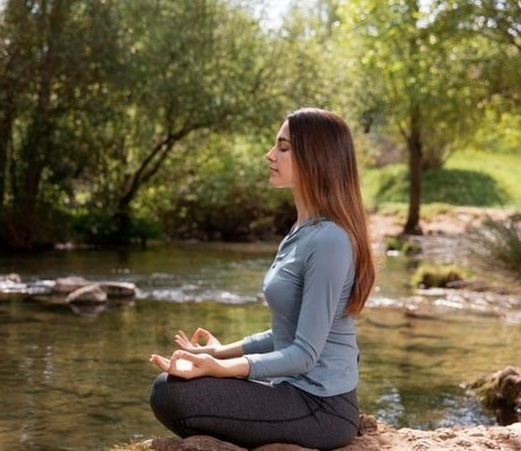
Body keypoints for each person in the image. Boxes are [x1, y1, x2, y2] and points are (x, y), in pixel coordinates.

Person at [148, 107, 376, 450]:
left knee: (168, 393)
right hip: (290, 391)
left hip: (322, 409)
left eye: (283, 148)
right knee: (170, 386)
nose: (270, 155)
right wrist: (220, 353)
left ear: (316, 158)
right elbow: (286, 331)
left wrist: (219, 369)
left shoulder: (330, 240)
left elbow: (304, 353)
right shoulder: (301, 231)